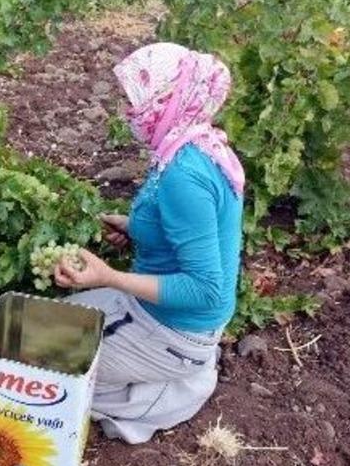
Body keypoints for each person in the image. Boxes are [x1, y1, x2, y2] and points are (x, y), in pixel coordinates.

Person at [53, 42, 244, 444]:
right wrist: (134, 228)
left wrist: (108, 276)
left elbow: (205, 290)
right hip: (150, 311)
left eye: (137, 101)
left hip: (174, 328)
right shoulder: (189, 144)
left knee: (50, 369)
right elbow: (186, 232)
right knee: (48, 327)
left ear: (169, 98)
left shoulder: (184, 176)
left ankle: (167, 394)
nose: (129, 113)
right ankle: (174, 368)